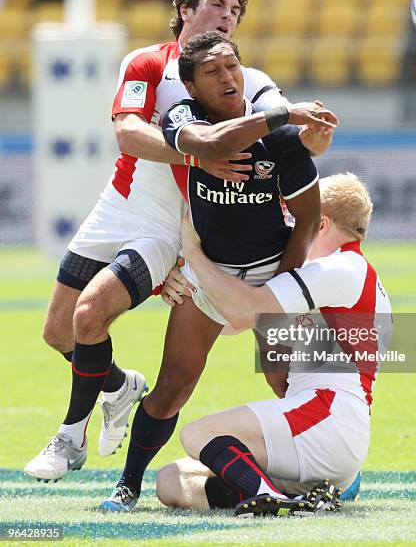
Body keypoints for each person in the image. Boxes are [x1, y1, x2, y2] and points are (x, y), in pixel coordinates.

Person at [25, 0, 332, 484]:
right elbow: (127, 133)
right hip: (120, 201)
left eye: (235, 11)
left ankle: (70, 437)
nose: (228, 16)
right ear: (185, 10)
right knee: (58, 330)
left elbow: (273, 120)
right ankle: (120, 387)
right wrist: (194, 156)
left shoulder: (241, 76)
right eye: (217, 4)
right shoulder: (148, 63)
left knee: (93, 315)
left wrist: (309, 138)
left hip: (173, 222)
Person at [99, 30, 338, 512]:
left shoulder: (284, 142)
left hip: (273, 272)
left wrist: (281, 289)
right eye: (212, 71)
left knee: (288, 380)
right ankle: (128, 484)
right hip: (209, 278)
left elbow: (308, 219)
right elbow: (208, 144)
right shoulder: (184, 119)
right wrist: (286, 114)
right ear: (190, 87)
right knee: (174, 385)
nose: (228, 76)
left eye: (233, 66)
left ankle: (315, 477)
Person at [156, 173, 392, 515]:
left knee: (197, 434)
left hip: (325, 415)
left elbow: (244, 309)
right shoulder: (342, 271)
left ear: (321, 223)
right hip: (325, 430)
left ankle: (270, 496)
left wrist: (193, 254)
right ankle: (303, 496)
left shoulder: (339, 268)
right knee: (172, 479)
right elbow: (230, 322)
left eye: (299, 217)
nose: (291, 227)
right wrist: (184, 288)